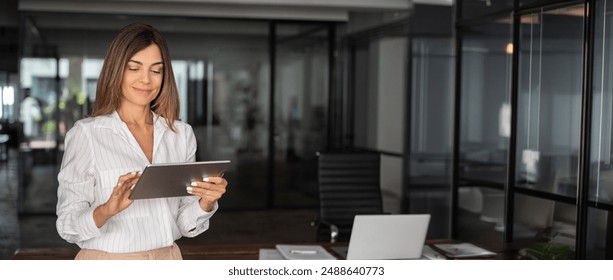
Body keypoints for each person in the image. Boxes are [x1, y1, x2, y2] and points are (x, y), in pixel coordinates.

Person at [56, 23, 228, 260]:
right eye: (134, 68)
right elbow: (67, 225)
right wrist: (107, 210)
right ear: (117, 71)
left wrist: (206, 202)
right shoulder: (87, 134)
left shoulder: (181, 134)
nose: (146, 80)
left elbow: (183, 223)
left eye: (156, 70)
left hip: (168, 259)